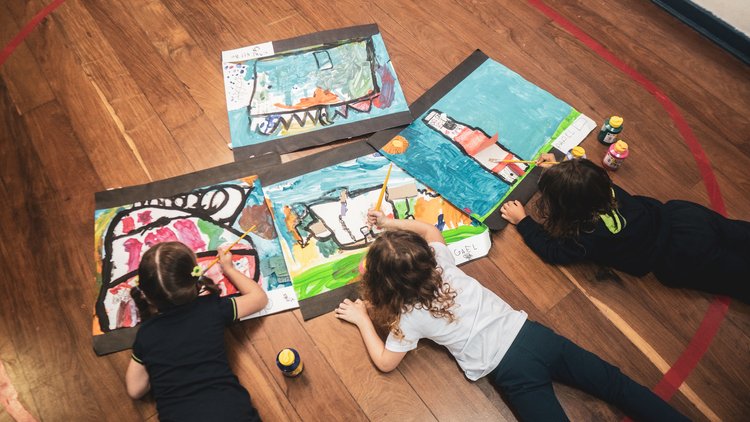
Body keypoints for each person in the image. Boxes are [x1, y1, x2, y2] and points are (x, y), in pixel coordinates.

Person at [335, 210, 687, 421]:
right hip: (536, 337)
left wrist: (363, 319)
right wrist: (389, 223)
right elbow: (429, 231)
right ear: (425, 257)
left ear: (382, 284)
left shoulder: (407, 317)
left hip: (511, 370)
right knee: (616, 385)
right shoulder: (442, 262)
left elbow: (386, 363)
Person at [500, 154, 750, 303]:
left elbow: (553, 252)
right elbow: (582, 179)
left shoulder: (586, 236)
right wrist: (559, 169)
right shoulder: (601, 187)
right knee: (740, 234)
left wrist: (523, 221)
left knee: (739, 277)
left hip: (679, 255)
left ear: (565, 209)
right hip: (686, 217)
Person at [125, 241, 267, 421]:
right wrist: (229, 269)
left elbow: (135, 389)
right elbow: (259, 298)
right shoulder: (210, 308)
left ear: (147, 295)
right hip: (231, 413)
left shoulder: (147, 334)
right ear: (194, 277)